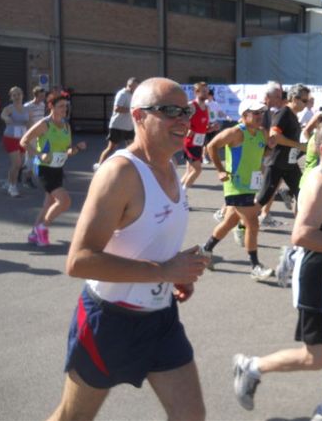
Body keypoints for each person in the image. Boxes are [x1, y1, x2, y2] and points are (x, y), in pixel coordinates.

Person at [46, 78, 209, 421]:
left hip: (161, 318)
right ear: (137, 116)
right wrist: (162, 271)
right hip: (109, 322)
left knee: (191, 417)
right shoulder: (120, 172)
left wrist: (174, 274)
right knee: (72, 418)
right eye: (168, 111)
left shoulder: (169, 166)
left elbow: (147, 242)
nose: (182, 119)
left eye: (186, 111)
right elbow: (79, 261)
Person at [232, 119, 322, 421]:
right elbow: (302, 235)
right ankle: (251, 367)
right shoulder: (320, 182)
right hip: (320, 282)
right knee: (315, 359)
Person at [202, 99, 274, 280]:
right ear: (244, 115)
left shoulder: (261, 133)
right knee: (253, 223)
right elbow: (211, 146)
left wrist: (270, 149)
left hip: (251, 185)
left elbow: (262, 152)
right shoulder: (234, 132)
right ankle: (255, 266)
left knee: (229, 223)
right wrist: (219, 170)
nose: (260, 116)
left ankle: (205, 251)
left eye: (261, 113)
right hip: (236, 184)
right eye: (255, 113)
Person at [20, 94, 86, 246]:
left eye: (66, 106)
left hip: (58, 169)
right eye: (61, 106)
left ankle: (33, 233)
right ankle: (42, 228)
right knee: (64, 201)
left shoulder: (66, 126)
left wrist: (76, 148)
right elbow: (24, 141)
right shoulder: (45, 124)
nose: (65, 109)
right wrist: (39, 154)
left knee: (49, 203)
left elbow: (67, 151)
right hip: (44, 169)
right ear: (51, 107)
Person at [255, 84, 309, 223]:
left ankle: (302, 232)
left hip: (289, 164)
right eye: (304, 100)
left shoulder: (293, 115)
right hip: (276, 163)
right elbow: (275, 136)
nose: (306, 104)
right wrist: (299, 146)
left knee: (303, 194)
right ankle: (241, 224)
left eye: (307, 101)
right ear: (293, 98)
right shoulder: (283, 113)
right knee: (263, 198)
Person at [94, 77, 139, 170]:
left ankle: (131, 168)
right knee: (111, 148)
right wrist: (131, 110)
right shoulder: (122, 94)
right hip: (117, 126)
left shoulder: (134, 95)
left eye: (136, 87)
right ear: (129, 85)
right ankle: (99, 166)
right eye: (134, 87)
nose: (135, 89)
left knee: (132, 148)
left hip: (129, 127)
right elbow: (117, 108)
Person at [181, 81, 214, 188]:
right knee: (197, 170)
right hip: (190, 143)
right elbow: (181, 121)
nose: (206, 93)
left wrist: (211, 128)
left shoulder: (207, 107)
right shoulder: (192, 106)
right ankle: (183, 194)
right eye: (203, 91)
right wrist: (187, 129)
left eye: (207, 91)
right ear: (196, 92)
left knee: (189, 171)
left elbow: (203, 127)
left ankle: (176, 192)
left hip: (199, 142)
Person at [0, 86, 30, 197]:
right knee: (17, 164)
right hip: (10, 138)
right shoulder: (9, 108)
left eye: (19, 94)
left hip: (22, 139)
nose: (17, 96)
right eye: (14, 95)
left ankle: (8, 182)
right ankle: (12, 187)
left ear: (22, 95)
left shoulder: (27, 109)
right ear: (11, 97)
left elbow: (30, 123)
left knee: (18, 164)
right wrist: (6, 118)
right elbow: (3, 115)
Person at [22, 86, 47, 186]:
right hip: (31, 133)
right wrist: (31, 132)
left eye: (44, 96)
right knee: (31, 156)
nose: (43, 98)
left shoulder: (42, 105)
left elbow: (41, 118)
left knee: (39, 155)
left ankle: (23, 170)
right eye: (41, 96)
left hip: (41, 133)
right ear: (35, 95)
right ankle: (27, 179)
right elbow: (26, 121)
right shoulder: (27, 106)